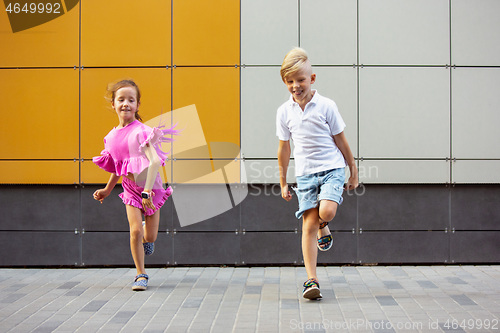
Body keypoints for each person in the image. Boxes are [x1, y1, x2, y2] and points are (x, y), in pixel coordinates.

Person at [276, 48, 358, 300]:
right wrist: (283, 182)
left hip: (332, 169)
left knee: (326, 212)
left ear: (312, 79)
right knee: (308, 224)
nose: (295, 86)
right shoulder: (284, 112)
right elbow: (284, 148)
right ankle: (311, 280)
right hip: (306, 175)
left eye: (300, 79)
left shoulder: (326, 106)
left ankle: (326, 224)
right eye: (290, 81)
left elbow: (341, 141)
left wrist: (353, 171)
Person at [92, 79, 177, 291]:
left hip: (152, 189)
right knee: (135, 232)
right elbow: (116, 168)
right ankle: (141, 274)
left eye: (131, 100)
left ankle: (148, 234)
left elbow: (155, 162)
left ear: (137, 105)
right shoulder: (110, 137)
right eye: (121, 99)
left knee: (150, 237)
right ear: (113, 104)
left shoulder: (142, 131)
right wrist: (107, 190)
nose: (125, 104)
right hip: (131, 189)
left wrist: (147, 192)